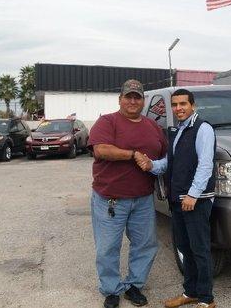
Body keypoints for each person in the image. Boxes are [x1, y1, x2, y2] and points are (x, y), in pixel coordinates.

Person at [88, 79, 167, 308]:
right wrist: (133, 154)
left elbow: (163, 156)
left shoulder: (153, 127)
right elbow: (101, 149)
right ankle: (111, 290)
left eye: (137, 97)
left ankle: (134, 286)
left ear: (143, 100)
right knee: (107, 248)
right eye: (128, 96)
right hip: (111, 199)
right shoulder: (107, 121)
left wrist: (156, 166)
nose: (133, 101)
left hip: (143, 199)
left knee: (145, 244)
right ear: (120, 99)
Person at [137, 89, 217, 308]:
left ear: (193, 105)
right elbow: (170, 163)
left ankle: (206, 300)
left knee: (199, 249)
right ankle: (190, 292)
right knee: (185, 247)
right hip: (178, 199)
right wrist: (151, 165)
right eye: (175, 104)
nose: (178, 108)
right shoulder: (178, 131)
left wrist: (193, 194)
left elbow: (205, 164)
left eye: (183, 103)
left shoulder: (203, 128)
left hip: (195, 200)